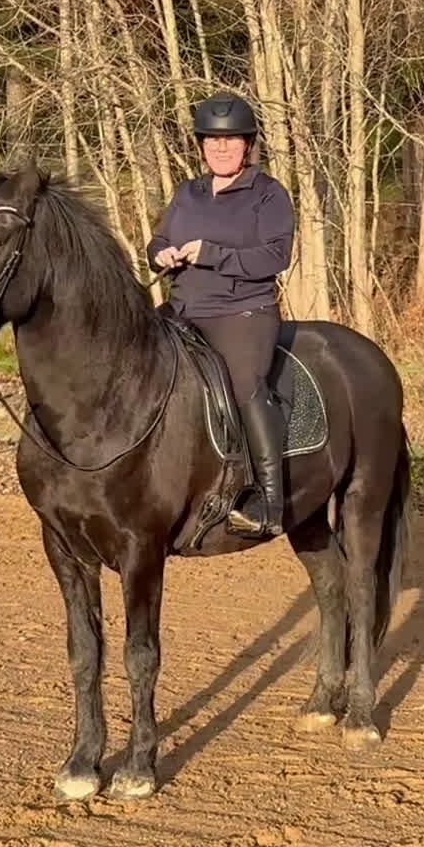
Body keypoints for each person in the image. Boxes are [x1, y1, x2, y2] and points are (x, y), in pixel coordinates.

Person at [147, 92, 293, 539]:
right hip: (182, 307)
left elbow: (276, 255)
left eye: (230, 141)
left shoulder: (267, 195)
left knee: (244, 384)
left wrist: (212, 254)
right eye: (212, 141)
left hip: (242, 312)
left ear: (248, 145)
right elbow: (157, 239)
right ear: (201, 145)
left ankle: (269, 498)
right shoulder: (187, 193)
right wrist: (161, 255)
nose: (221, 148)